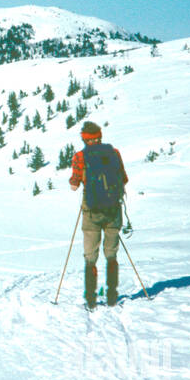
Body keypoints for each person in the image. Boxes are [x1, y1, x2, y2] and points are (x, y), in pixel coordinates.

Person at [69, 120, 129, 307]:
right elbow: (124, 179)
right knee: (111, 254)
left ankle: (91, 298)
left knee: (90, 255)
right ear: (100, 137)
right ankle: (112, 295)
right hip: (113, 210)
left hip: (92, 211)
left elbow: (73, 185)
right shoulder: (114, 153)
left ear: (85, 139)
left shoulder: (80, 156)